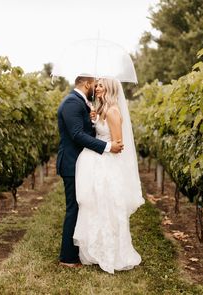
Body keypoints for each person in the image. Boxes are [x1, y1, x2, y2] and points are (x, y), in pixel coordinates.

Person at [73, 78, 145, 274]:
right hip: (98, 162)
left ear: (110, 89)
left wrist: (106, 146)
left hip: (107, 165)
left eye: (101, 85)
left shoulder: (113, 111)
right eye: (96, 85)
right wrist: (95, 119)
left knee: (108, 208)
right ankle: (96, 250)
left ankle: (112, 253)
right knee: (96, 206)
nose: (96, 88)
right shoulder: (103, 109)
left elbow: (118, 144)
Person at [56, 76, 123, 268]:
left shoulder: (81, 103)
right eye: (95, 84)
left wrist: (92, 120)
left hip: (83, 164)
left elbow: (86, 129)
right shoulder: (72, 102)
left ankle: (81, 250)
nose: (96, 87)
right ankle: (68, 257)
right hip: (71, 164)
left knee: (83, 206)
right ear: (87, 84)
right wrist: (107, 146)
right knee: (74, 208)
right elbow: (77, 135)